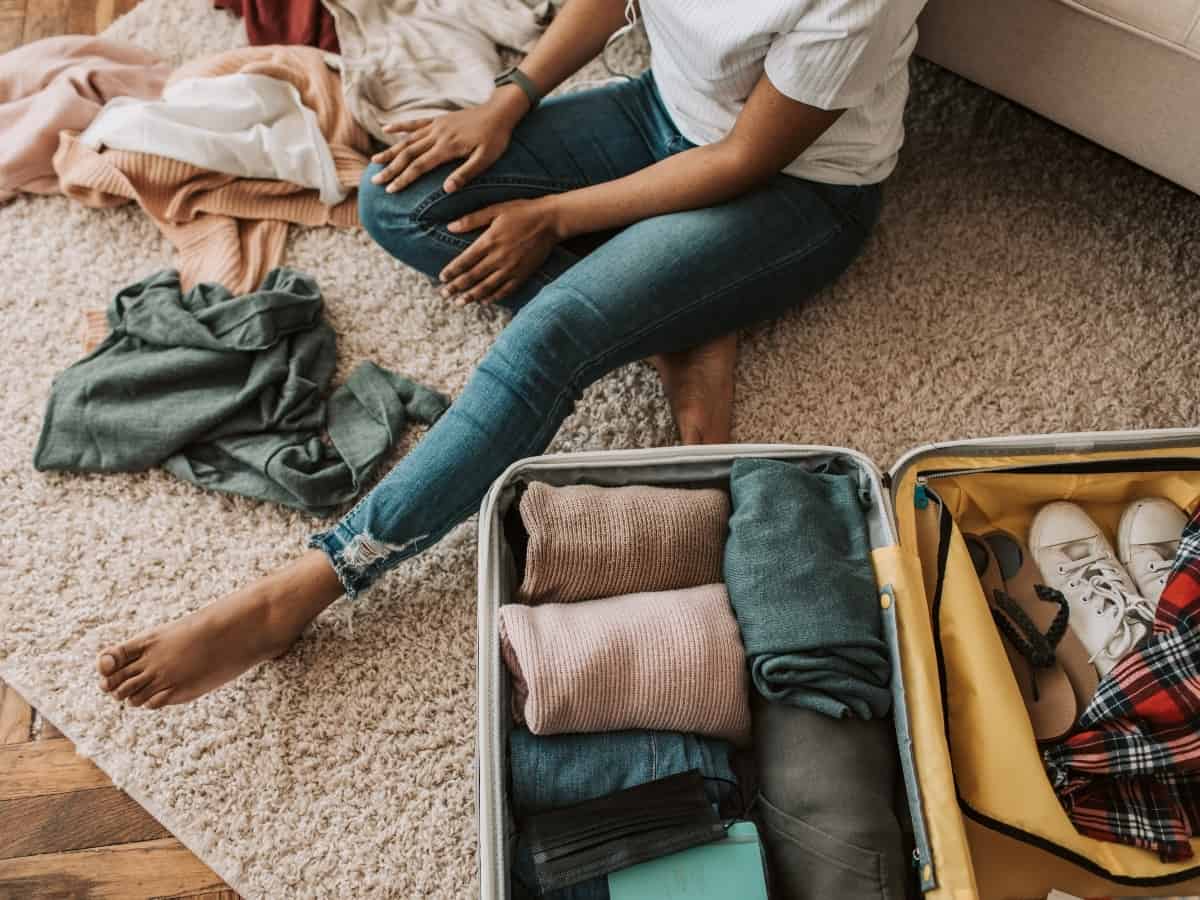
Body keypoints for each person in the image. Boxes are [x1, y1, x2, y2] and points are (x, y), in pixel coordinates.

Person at [97, 0, 926, 708]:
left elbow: (747, 155)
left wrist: (557, 216)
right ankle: (687, 320)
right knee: (400, 199)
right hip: (658, 114)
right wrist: (509, 99)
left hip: (797, 191)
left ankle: (306, 588)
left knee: (555, 333)